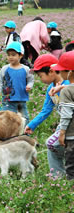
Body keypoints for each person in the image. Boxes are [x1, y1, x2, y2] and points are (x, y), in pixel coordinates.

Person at [24, 54, 69, 177]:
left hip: (70, 123)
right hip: (64, 124)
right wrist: (31, 125)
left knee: (51, 144)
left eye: (40, 76)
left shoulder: (68, 83)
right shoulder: (51, 88)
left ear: (51, 71)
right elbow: (46, 110)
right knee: (52, 146)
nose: (40, 79)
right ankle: (57, 176)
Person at [0, 42, 34, 123]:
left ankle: (24, 133)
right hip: (8, 99)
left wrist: (29, 86)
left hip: (21, 98)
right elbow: (0, 81)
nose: (10, 57)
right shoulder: (4, 69)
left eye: (13, 55)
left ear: (20, 55)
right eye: (8, 55)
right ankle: (8, 133)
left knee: (24, 118)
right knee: (7, 118)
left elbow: (31, 79)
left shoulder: (26, 69)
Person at [52, 51, 74, 180]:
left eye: (61, 71)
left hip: (71, 137)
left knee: (71, 169)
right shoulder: (66, 89)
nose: (59, 74)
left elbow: (66, 114)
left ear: (70, 72)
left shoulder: (67, 91)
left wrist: (62, 133)